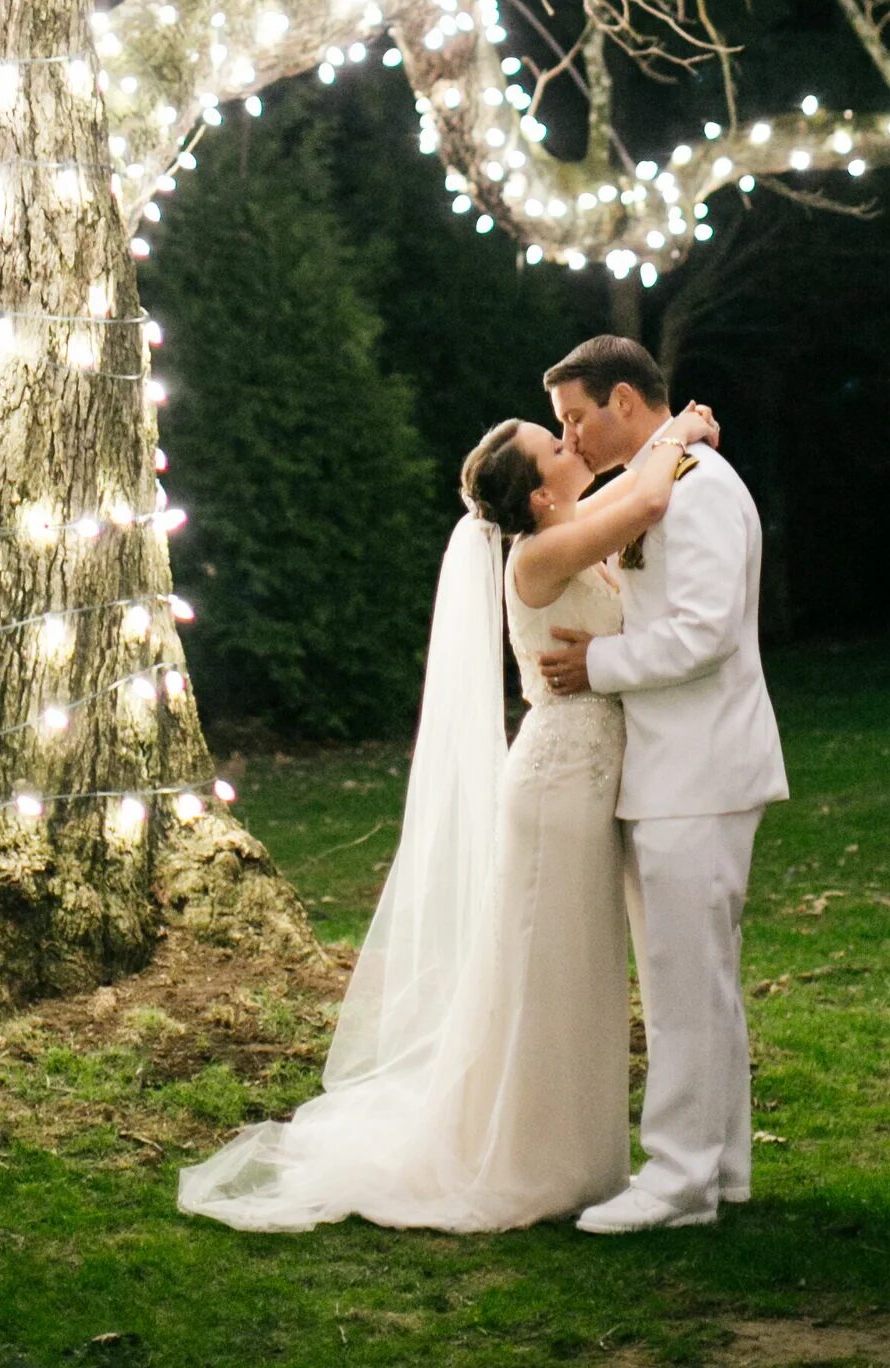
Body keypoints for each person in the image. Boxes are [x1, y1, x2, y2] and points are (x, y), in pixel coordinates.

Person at [177, 390, 720, 1232]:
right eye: (558, 442)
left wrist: (650, 441)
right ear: (540, 495)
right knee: (551, 969)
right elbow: (647, 495)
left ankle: (573, 1156)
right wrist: (679, 431)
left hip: (590, 776)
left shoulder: (568, 525)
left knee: (579, 968)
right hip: (560, 784)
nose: (575, 441)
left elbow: (627, 490)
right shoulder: (539, 558)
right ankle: (530, 1161)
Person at [539, 334, 788, 1233]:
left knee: (685, 985)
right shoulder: (664, 475)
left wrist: (598, 664)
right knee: (699, 981)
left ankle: (677, 1180)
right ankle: (719, 1172)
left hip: (702, 769)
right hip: (678, 770)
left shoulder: (702, 491)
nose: (571, 439)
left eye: (577, 417)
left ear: (626, 403)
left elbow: (706, 632)